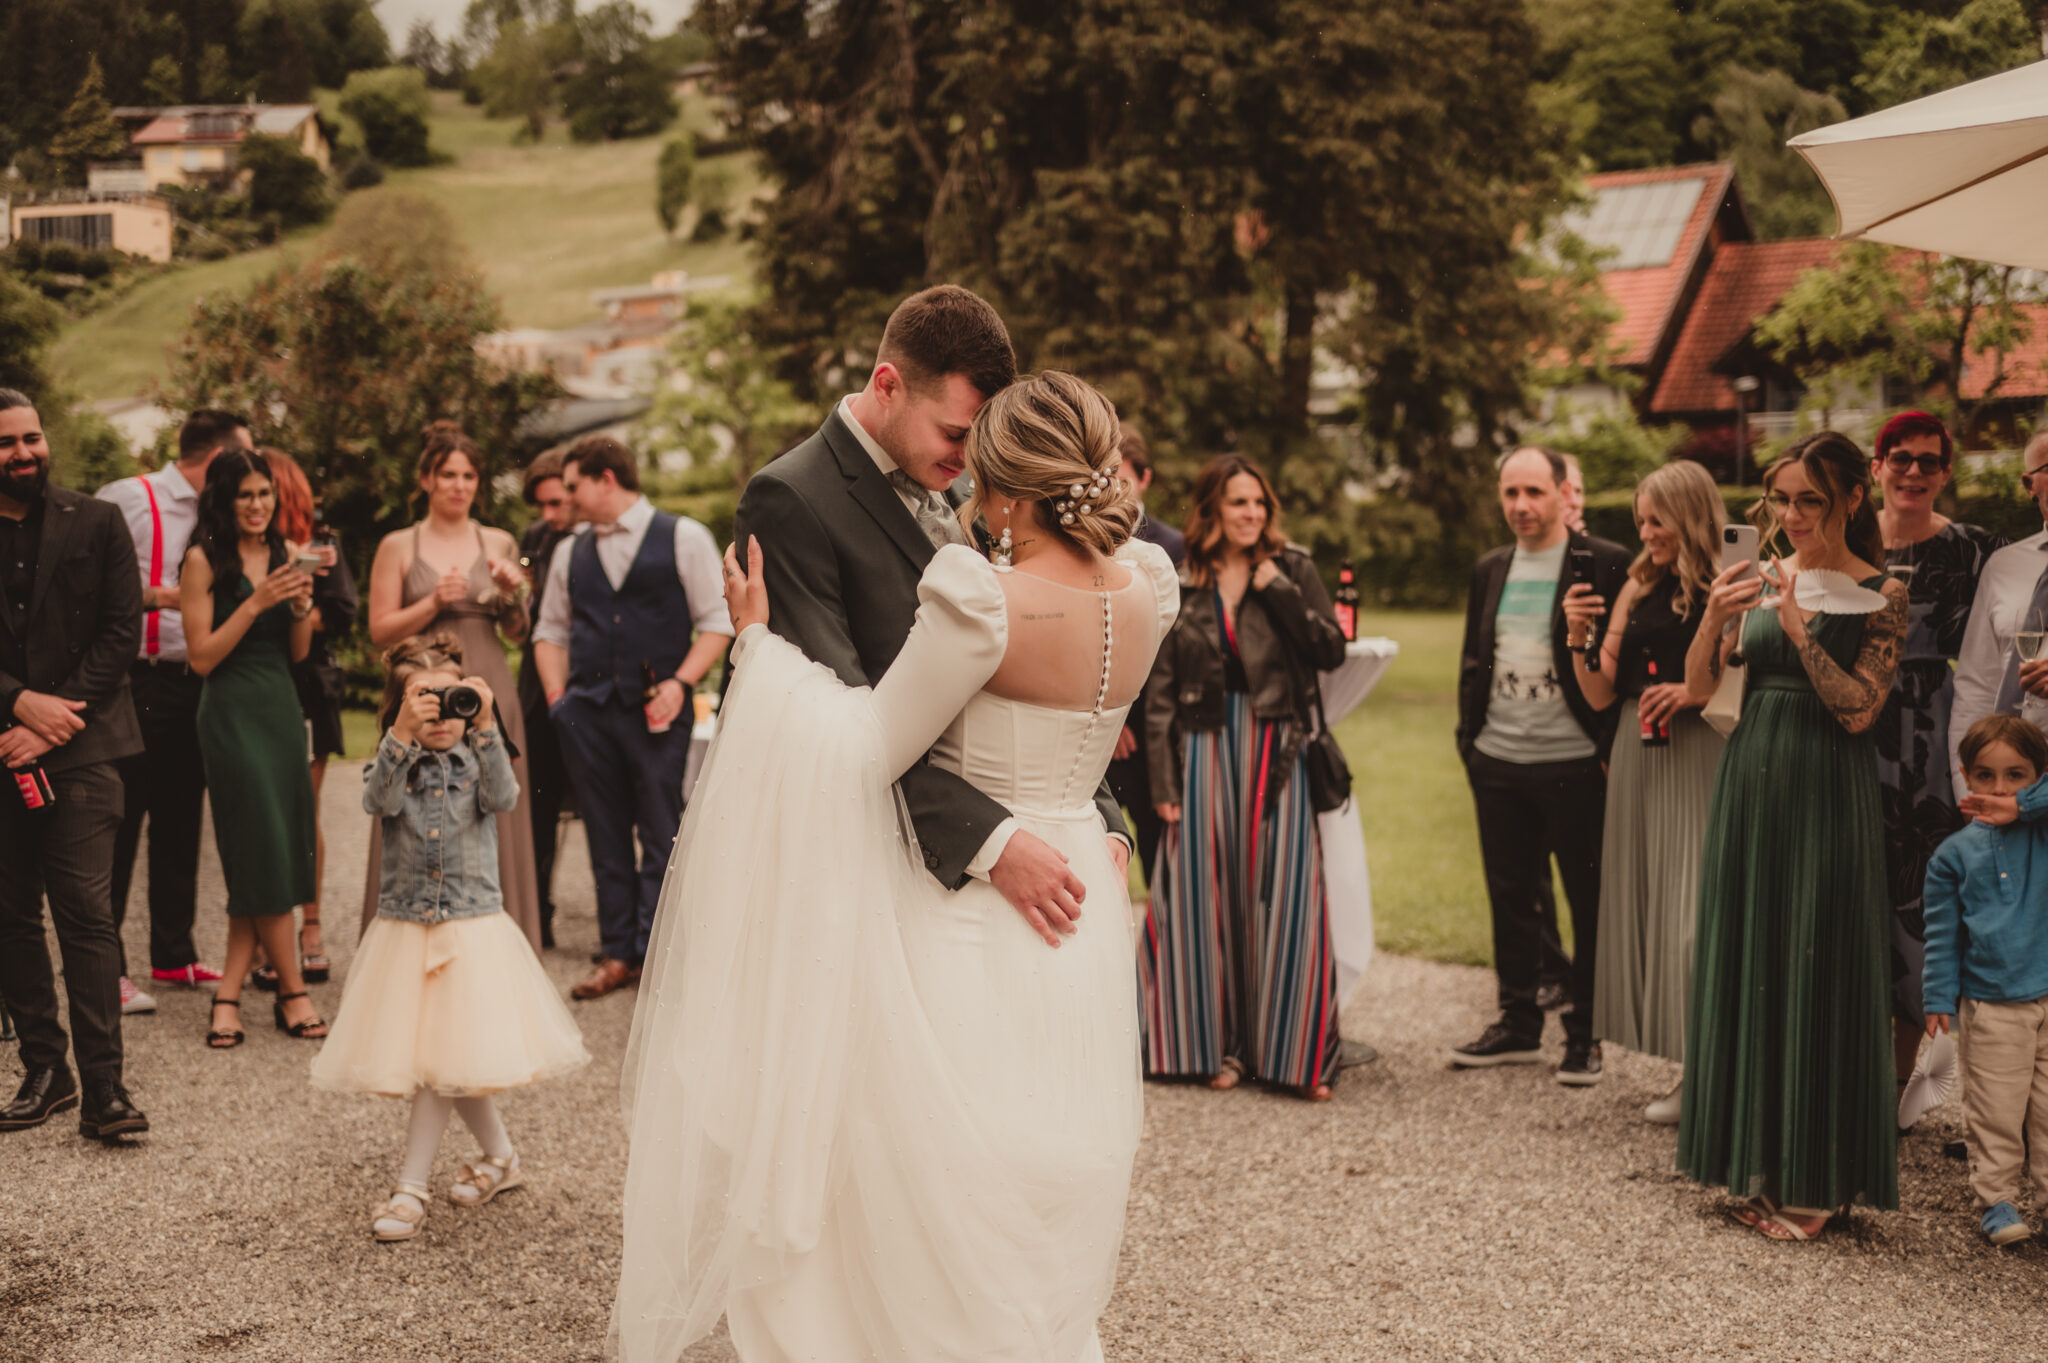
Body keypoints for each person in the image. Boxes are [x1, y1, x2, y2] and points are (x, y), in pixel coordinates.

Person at [612, 368, 1179, 1362]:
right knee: (1035, 1149)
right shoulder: (1148, 590)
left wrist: (757, 644)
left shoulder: (982, 600)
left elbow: (860, 747)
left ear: (1003, 489)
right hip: (1080, 897)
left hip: (964, 915)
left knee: (926, 1160)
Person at [728, 284, 1134, 941]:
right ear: (888, 384)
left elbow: (1041, 668)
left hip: (1014, 869)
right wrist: (995, 842)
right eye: (954, 432)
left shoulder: (984, 488)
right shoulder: (790, 499)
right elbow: (842, 728)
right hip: (876, 874)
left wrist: (1100, 815)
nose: (971, 456)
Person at [1680, 430, 1905, 1241]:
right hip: (1751, 781)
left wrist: (1798, 626)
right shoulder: (1766, 572)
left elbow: (1859, 709)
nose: (1794, 513)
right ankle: (1757, 1160)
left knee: (1815, 955)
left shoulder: (1882, 590)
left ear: (1851, 497)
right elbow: (1702, 685)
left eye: (1811, 498)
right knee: (1754, 952)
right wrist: (1713, 615)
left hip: (1822, 786)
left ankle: (1816, 1182)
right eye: (1783, 498)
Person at [311, 634, 589, 1242]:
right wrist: (401, 736)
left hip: (469, 928)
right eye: (423, 702)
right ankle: (502, 1159)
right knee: (448, 1059)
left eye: (451, 699)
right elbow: (376, 800)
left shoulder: (478, 757)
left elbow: (505, 796)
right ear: (399, 708)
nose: (441, 714)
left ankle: (411, 1186)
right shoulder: (393, 761)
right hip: (408, 927)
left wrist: (486, 724)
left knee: (443, 1064)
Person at [1141, 454, 1349, 1098]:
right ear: (1212, 509)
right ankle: (1211, 1050)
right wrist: (1165, 785)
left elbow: (1329, 650)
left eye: (1258, 502)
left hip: (1276, 743)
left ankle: (1297, 1057)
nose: (1251, 513)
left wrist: (1278, 592)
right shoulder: (1184, 579)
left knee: (1286, 892)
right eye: (1237, 503)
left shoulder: (1293, 568)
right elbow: (1161, 693)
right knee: (1203, 893)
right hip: (1203, 746)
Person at [1450, 446, 1631, 1084]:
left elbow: (1624, 667)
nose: (1521, 506)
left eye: (1534, 492)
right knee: (1511, 898)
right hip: (1498, 758)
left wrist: (1608, 748)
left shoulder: (1606, 563)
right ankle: (1519, 1024)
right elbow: (1479, 656)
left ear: (1562, 493)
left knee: (1588, 901)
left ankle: (1586, 1035)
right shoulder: (1490, 568)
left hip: (1575, 763)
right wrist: (1469, 742)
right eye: (1510, 494)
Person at [0, 388, 150, 1140]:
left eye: (31, 437)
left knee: (88, 916)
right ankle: (45, 1070)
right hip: (0, 743)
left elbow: (121, 633)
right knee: (9, 918)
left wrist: (52, 719)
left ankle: (106, 1092)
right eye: (6, 443)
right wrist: (17, 702)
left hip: (86, 748)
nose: (24, 452)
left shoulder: (98, 519)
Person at [533, 436, 733, 999]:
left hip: (656, 711)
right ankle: (618, 953)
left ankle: (658, 953)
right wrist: (558, 699)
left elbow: (717, 619)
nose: (566, 498)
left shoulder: (684, 536)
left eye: (573, 487)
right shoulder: (571, 550)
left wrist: (681, 682)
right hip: (588, 717)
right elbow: (549, 629)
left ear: (606, 480)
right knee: (604, 834)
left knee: (661, 829)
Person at [1563, 459, 1726, 1121]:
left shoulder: (1730, 580)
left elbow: (1741, 675)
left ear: (1689, 512)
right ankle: (1693, 1068)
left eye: (1656, 518)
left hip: (1704, 751)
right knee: (1659, 909)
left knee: (1696, 917)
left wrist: (1694, 693)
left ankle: (1713, 1072)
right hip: (1639, 751)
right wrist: (1578, 635)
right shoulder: (1635, 584)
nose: (1647, 531)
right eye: (1640, 520)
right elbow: (1601, 691)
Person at [1867, 411, 2005, 1100]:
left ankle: (1917, 1064)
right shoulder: (1850, 542)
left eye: (1928, 461)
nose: (1914, 471)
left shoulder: (1976, 549)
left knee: (1925, 892)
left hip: (1933, 724)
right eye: (1901, 457)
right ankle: (1868, 1070)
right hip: (1856, 725)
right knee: (1861, 882)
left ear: (1946, 471)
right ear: (1877, 466)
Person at [364, 423, 541, 954]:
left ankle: (498, 947)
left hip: (486, 681)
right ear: (426, 479)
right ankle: (408, 937)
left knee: (489, 798)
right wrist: (432, 602)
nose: (459, 486)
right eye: (448, 475)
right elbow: (378, 629)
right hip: (419, 686)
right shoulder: (399, 544)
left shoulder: (499, 541)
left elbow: (518, 632)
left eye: (468, 476)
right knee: (412, 799)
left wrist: (512, 597)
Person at [98, 409, 252, 1011]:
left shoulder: (224, 513)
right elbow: (83, 584)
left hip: (197, 683)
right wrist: (163, 596)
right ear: (216, 459)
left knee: (182, 818)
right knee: (120, 824)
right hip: (138, 680)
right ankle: (104, 968)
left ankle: (173, 954)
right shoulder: (127, 500)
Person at [183, 450, 325, 1047]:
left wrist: (299, 607)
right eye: (245, 495)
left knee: (271, 850)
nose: (258, 505)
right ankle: (292, 991)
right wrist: (257, 600)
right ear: (224, 498)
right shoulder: (200, 560)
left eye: (265, 494)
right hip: (231, 711)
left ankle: (229, 995)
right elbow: (202, 657)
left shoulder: (288, 553)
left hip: (279, 706)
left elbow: (296, 653)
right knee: (260, 845)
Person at [1924, 714, 2048, 1247]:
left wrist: (2026, 807)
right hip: (1993, 1004)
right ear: (1965, 777)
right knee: (1996, 1109)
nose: (1999, 789)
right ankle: (1996, 1200)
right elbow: (1942, 933)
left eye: (2016, 775)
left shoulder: (2042, 833)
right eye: (1986, 776)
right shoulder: (1953, 855)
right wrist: (1936, 999)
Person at [265, 450, 358, 985]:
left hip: (307, 686)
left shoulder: (322, 540)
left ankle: (312, 927)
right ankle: (265, 933)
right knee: (264, 816)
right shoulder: (241, 545)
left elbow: (342, 609)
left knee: (303, 810)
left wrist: (288, 614)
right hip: (257, 682)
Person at [1105, 426, 1184, 885]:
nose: (1112, 487)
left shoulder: (1173, 548)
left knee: (1163, 859)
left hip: (1154, 731)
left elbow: (1166, 649)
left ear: (1146, 478)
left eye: (1122, 476)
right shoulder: (1081, 540)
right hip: (1103, 729)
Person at [1953, 430, 2048, 783]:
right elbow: (1976, 686)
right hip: (2006, 786)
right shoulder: (2003, 566)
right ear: (2029, 484)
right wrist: (1968, 791)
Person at [516, 451, 577, 950]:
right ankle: (538, 911)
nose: (551, 515)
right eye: (542, 506)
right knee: (535, 802)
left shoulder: (596, 537)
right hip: (536, 685)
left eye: (558, 502)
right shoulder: (534, 538)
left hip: (587, 680)